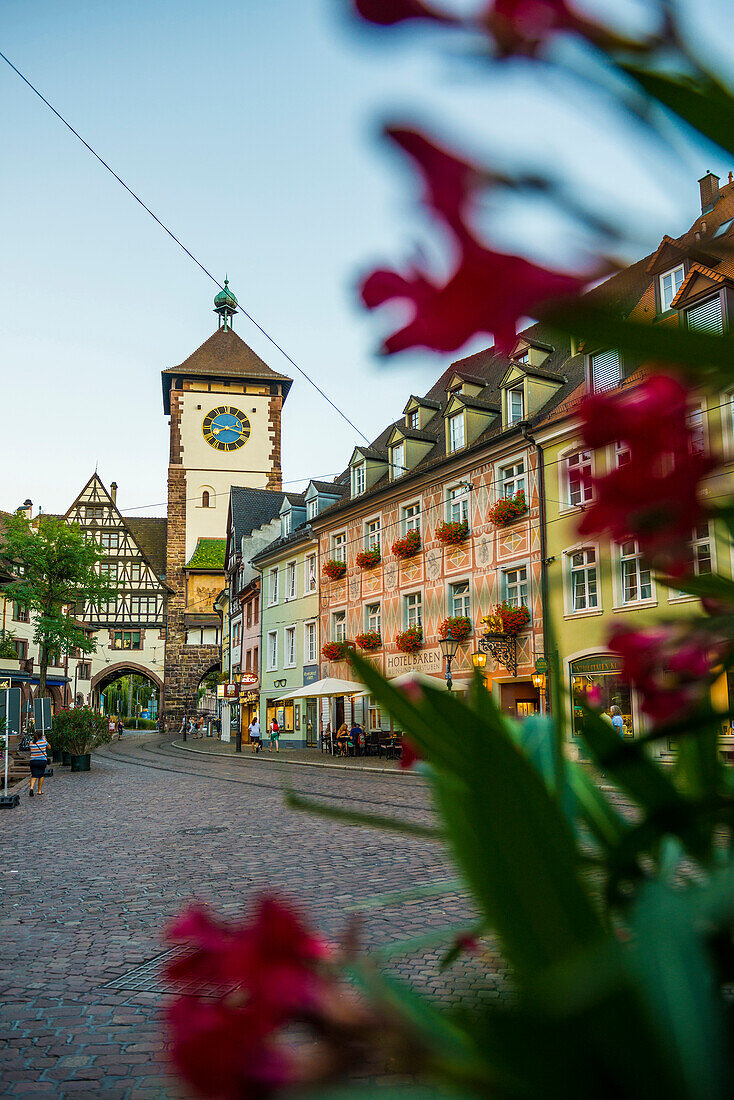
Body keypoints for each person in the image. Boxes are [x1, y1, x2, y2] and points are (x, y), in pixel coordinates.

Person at [28, 731, 50, 797]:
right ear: (41, 736)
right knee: (41, 775)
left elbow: (30, 749)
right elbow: (49, 747)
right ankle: (39, 791)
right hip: (42, 760)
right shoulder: (43, 742)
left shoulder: (31, 742)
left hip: (33, 761)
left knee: (34, 775)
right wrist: (46, 741)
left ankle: (31, 787)